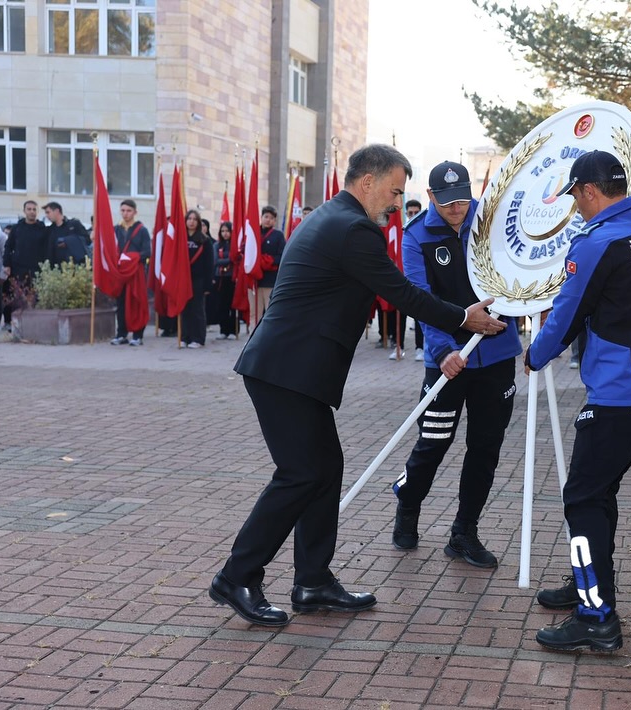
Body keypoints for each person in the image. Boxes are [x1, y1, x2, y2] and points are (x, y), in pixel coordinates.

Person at [209, 143, 506, 627]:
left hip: (292, 370)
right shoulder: (353, 229)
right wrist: (463, 318)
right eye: (393, 191)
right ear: (367, 182)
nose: (396, 202)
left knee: (324, 468)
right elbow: (403, 292)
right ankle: (237, 576)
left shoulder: (334, 217)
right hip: (286, 372)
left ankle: (312, 581)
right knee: (301, 473)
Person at [524, 150, 631, 652]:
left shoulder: (598, 242)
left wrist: (535, 355)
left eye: (576, 198)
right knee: (598, 492)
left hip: (618, 396)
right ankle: (584, 580)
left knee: (582, 498)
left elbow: (566, 316)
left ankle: (596, 617)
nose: (577, 208)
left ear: (589, 190)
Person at [392, 161, 522, 567]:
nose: (456, 209)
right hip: (447, 361)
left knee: (485, 448)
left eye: (462, 199)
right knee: (433, 443)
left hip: (497, 355)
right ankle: (408, 506)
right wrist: (444, 349)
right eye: (447, 202)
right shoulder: (415, 237)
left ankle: (464, 533)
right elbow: (420, 298)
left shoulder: (491, 221)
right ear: (430, 197)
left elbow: (517, 275)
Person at [110, 200, 152, 346]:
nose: (125, 213)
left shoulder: (142, 230)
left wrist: (131, 258)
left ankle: (137, 335)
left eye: (128, 210)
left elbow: (147, 252)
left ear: (135, 212)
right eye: (123, 210)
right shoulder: (116, 230)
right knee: (120, 303)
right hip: (121, 272)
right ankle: (121, 334)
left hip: (136, 272)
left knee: (136, 301)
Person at [3, 201, 48, 327]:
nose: (32, 212)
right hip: (19, 268)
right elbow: (8, 246)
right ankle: (16, 324)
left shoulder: (42, 228)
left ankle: (35, 324)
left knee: (36, 297)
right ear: (24, 211)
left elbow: (46, 247)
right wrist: (6, 264)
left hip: (36, 268)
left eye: (34, 209)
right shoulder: (17, 228)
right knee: (18, 297)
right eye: (29, 209)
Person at [181, 209, 214, 348]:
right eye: (189, 219)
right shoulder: (181, 238)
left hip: (198, 280)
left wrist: (208, 285)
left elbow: (209, 264)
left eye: (195, 219)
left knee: (197, 310)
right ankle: (184, 337)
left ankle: (198, 338)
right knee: (185, 309)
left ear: (198, 222)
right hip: (184, 280)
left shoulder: (204, 240)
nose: (191, 221)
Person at [248, 205, 285, 326]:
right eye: (266, 216)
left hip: (270, 280)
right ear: (261, 217)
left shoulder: (278, 236)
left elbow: (282, 256)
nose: (268, 220)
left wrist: (267, 261)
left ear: (275, 221)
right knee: (254, 312)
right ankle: (253, 339)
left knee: (270, 311)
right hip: (254, 281)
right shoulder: (253, 233)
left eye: (271, 218)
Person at [404, 198, 425, 356]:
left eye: (416, 213)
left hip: (420, 281)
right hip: (403, 280)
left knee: (422, 312)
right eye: (410, 213)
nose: (413, 215)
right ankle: (399, 345)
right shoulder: (400, 231)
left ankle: (420, 346)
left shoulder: (424, 231)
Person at [43, 202, 90, 267]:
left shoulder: (74, 224)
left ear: (57, 211)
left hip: (75, 268)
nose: (47, 216)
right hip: (56, 269)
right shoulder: (50, 230)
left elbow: (87, 240)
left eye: (48, 212)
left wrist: (68, 242)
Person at [213, 222, 238, 339]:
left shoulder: (235, 245)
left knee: (232, 305)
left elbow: (236, 259)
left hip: (232, 277)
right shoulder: (217, 245)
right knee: (221, 305)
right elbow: (216, 261)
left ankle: (233, 330)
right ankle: (223, 330)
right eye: (223, 231)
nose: (225, 233)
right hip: (221, 278)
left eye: (227, 231)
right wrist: (230, 259)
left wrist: (231, 259)